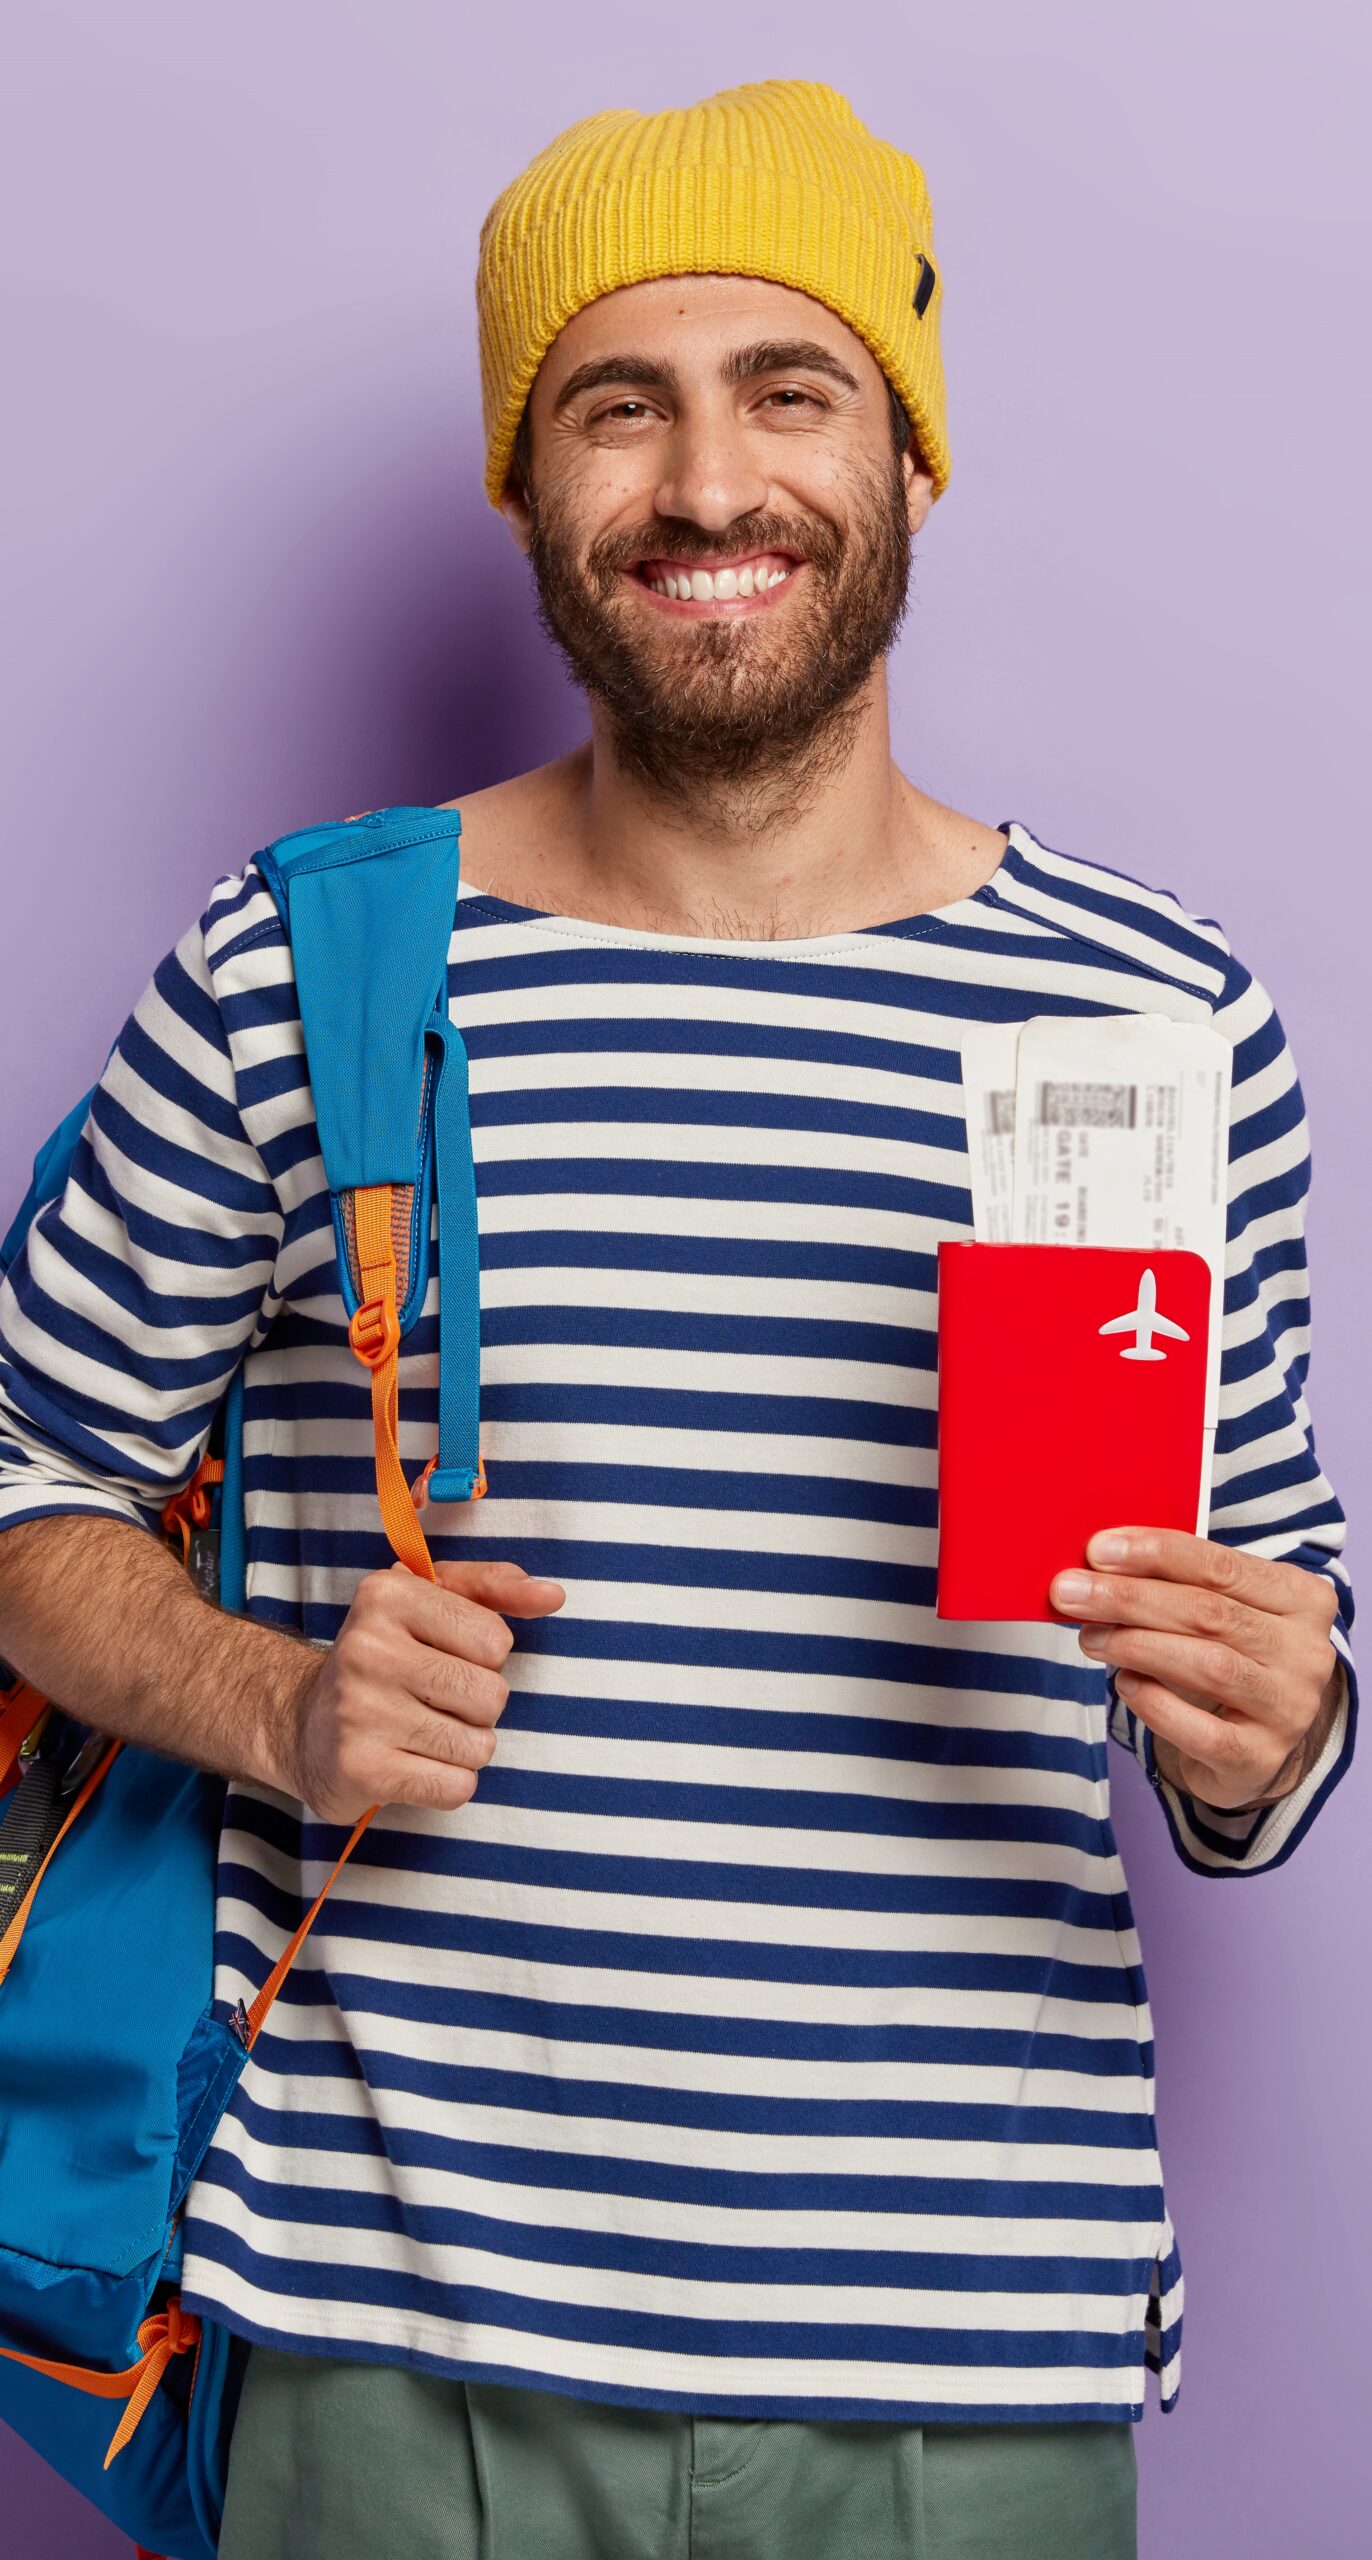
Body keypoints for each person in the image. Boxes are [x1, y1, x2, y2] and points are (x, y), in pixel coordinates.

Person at [0, 77, 1355, 2560]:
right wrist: (270, 1699)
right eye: (618, 404)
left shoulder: (1159, 1020)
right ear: (528, 483)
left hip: (978, 2359)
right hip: (396, 2355)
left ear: (912, 459)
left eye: (790, 389)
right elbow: (20, 1478)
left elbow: (1252, 1670)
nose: (708, 485)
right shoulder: (304, 967)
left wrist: (1275, 1721)